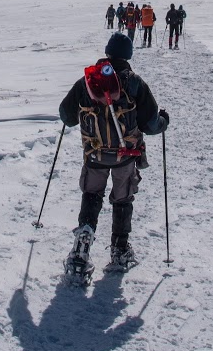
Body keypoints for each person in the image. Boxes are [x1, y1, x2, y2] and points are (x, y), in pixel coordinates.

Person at [59, 32, 169, 277]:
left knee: (92, 194)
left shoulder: (87, 81)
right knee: (122, 199)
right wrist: (164, 121)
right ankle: (119, 250)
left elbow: (66, 117)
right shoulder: (134, 82)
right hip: (125, 156)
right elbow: (151, 125)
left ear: (107, 53)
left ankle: (82, 243)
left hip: (95, 155)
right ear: (128, 56)